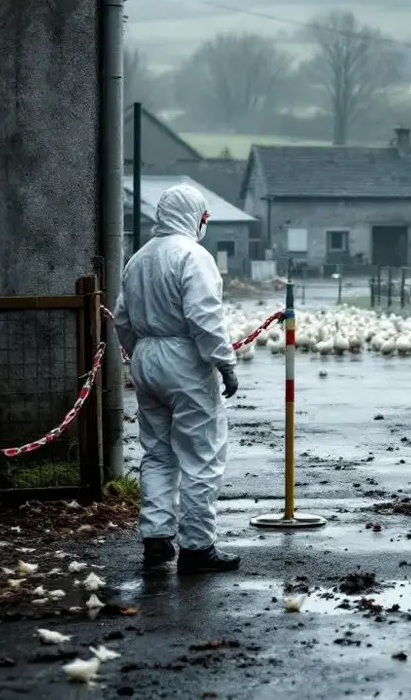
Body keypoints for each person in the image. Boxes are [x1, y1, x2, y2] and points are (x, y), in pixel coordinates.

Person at [113, 184, 241, 574]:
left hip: (146, 357)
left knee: (157, 452)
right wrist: (225, 363)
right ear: (195, 216)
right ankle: (198, 547)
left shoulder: (138, 259)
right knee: (201, 454)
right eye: (204, 217)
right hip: (184, 360)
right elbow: (204, 318)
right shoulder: (193, 256)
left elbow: (121, 317)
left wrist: (141, 353)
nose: (205, 224)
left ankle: (156, 539)